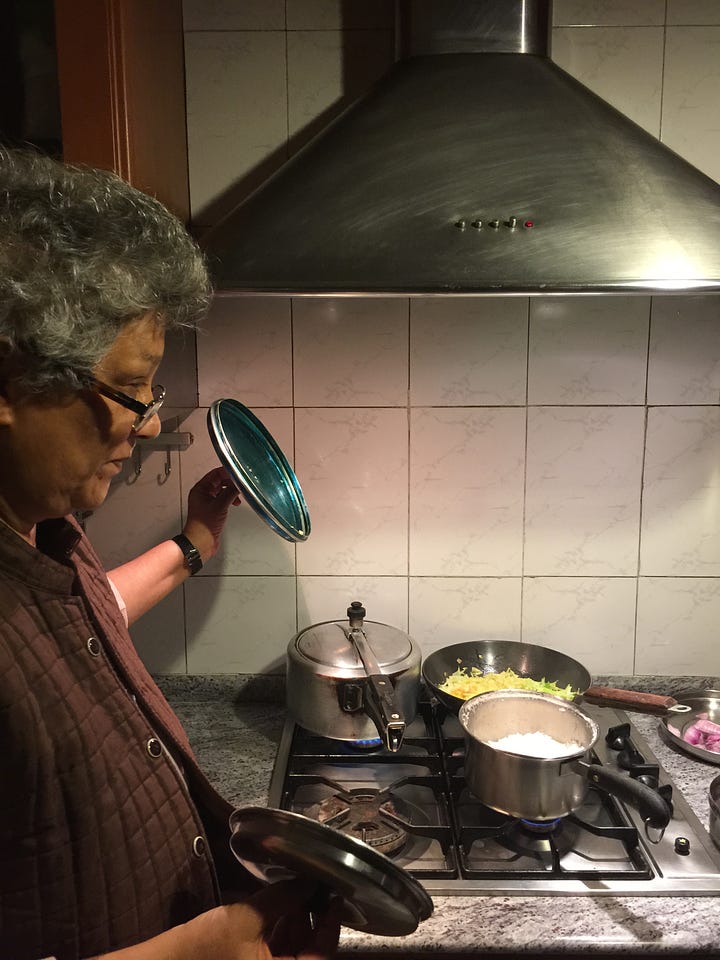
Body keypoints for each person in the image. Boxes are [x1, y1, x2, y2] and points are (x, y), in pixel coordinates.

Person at [0, 147, 342, 960]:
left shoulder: (37, 524)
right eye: (129, 392)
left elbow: (78, 626)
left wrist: (192, 545)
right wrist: (206, 949)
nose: (147, 424)